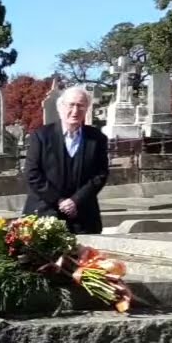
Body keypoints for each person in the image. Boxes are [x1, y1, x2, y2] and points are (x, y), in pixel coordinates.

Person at [22, 84, 109, 234]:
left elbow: (100, 174)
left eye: (81, 106)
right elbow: (32, 173)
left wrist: (76, 200)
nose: (75, 111)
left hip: (83, 216)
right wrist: (59, 201)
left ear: (87, 109)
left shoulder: (97, 138)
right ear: (60, 107)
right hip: (45, 213)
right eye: (71, 105)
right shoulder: (41, 136)